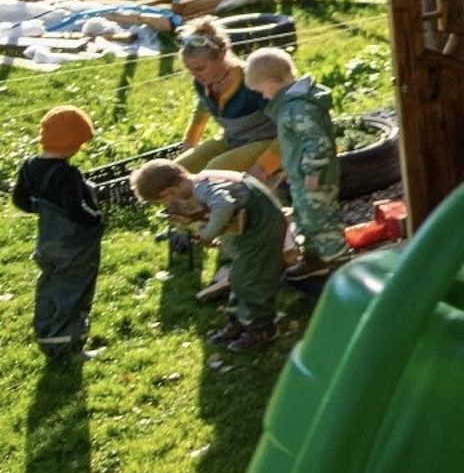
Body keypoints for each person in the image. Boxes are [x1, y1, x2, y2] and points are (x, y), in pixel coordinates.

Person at [133, 160, 289, 352]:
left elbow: (224, 204)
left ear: (169, 191)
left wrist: (208, 233)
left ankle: (262, 328)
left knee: (252, 278)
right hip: (251, 224)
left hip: (262, 225)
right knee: (239, 276)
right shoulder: (200, 182)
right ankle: (239, 321)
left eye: (166, 200)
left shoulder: (201, 188)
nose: (170, 203)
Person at [243, 47, 348, 280]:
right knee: (305, 218)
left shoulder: (297, 108)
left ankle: (340, 266)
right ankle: (315, 259)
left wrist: (312, 172)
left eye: (261, 91)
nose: (263, 96)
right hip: (302, 176)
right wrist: (294, 171)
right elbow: (296, 144)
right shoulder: (289, 105)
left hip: (315, 179)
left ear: (273, 81)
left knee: (322, 221)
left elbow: (317, 142)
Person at [12, 106, 103, 359]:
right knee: (74, 288)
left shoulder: (29, 166)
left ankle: (47, 335)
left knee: (51, 284)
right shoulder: (68, 175)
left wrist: (41, 208)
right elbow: (76, 211)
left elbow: (19, 200)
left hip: (48, 242)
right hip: (73, 245)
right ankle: (68, 346)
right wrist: (96, 219)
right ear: (73, 144)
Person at [174, 18, 279, 182]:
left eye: (200, 68)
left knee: (211, 175)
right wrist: (189, 144)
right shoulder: (202, 83)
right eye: (189, 69)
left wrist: (263, 167)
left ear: (222, 55)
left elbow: (291, 128)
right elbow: (202, 110)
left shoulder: (252, 80)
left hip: (269, 141)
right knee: (174, 174)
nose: (195, 75)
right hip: (233, 139)